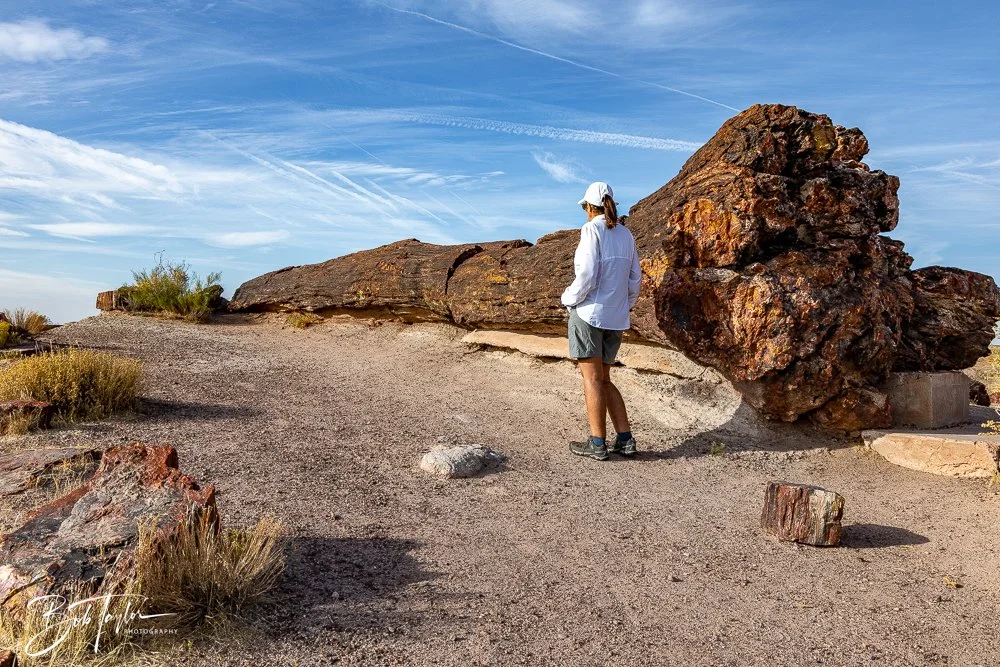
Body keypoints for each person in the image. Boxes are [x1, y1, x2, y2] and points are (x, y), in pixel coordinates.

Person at [561, 181, 642, 461]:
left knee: (592, 379)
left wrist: (569, 298)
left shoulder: (591, 229)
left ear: (588, 207)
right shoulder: (626, 235)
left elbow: (586, 273)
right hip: (616, 316)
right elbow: (635, 279)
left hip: (589, 312)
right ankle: (625, 439)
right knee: (605, 378)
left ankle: (597, 443)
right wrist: (624, 307)